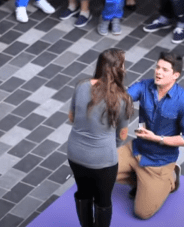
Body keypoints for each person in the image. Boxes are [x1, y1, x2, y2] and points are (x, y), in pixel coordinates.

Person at [116, 52, 184, 219]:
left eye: (165, 70)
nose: (158, 72)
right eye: (158, 67)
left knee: (142, 213)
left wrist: (157, 138)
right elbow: (124, 98)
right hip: (136, 150)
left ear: (175, 75)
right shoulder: (145, 86)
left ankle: (169, 180)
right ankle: (139, 179)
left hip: (159, 162)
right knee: (100, 168)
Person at [67, 48, 133, 227]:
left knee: (83, 193)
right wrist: (109, 143)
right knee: (103, 201)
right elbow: (122, 135)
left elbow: (71, 117)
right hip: (103, 159)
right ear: (118, 69)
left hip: (75, 153)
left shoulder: (81, 85)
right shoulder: (122, 99)